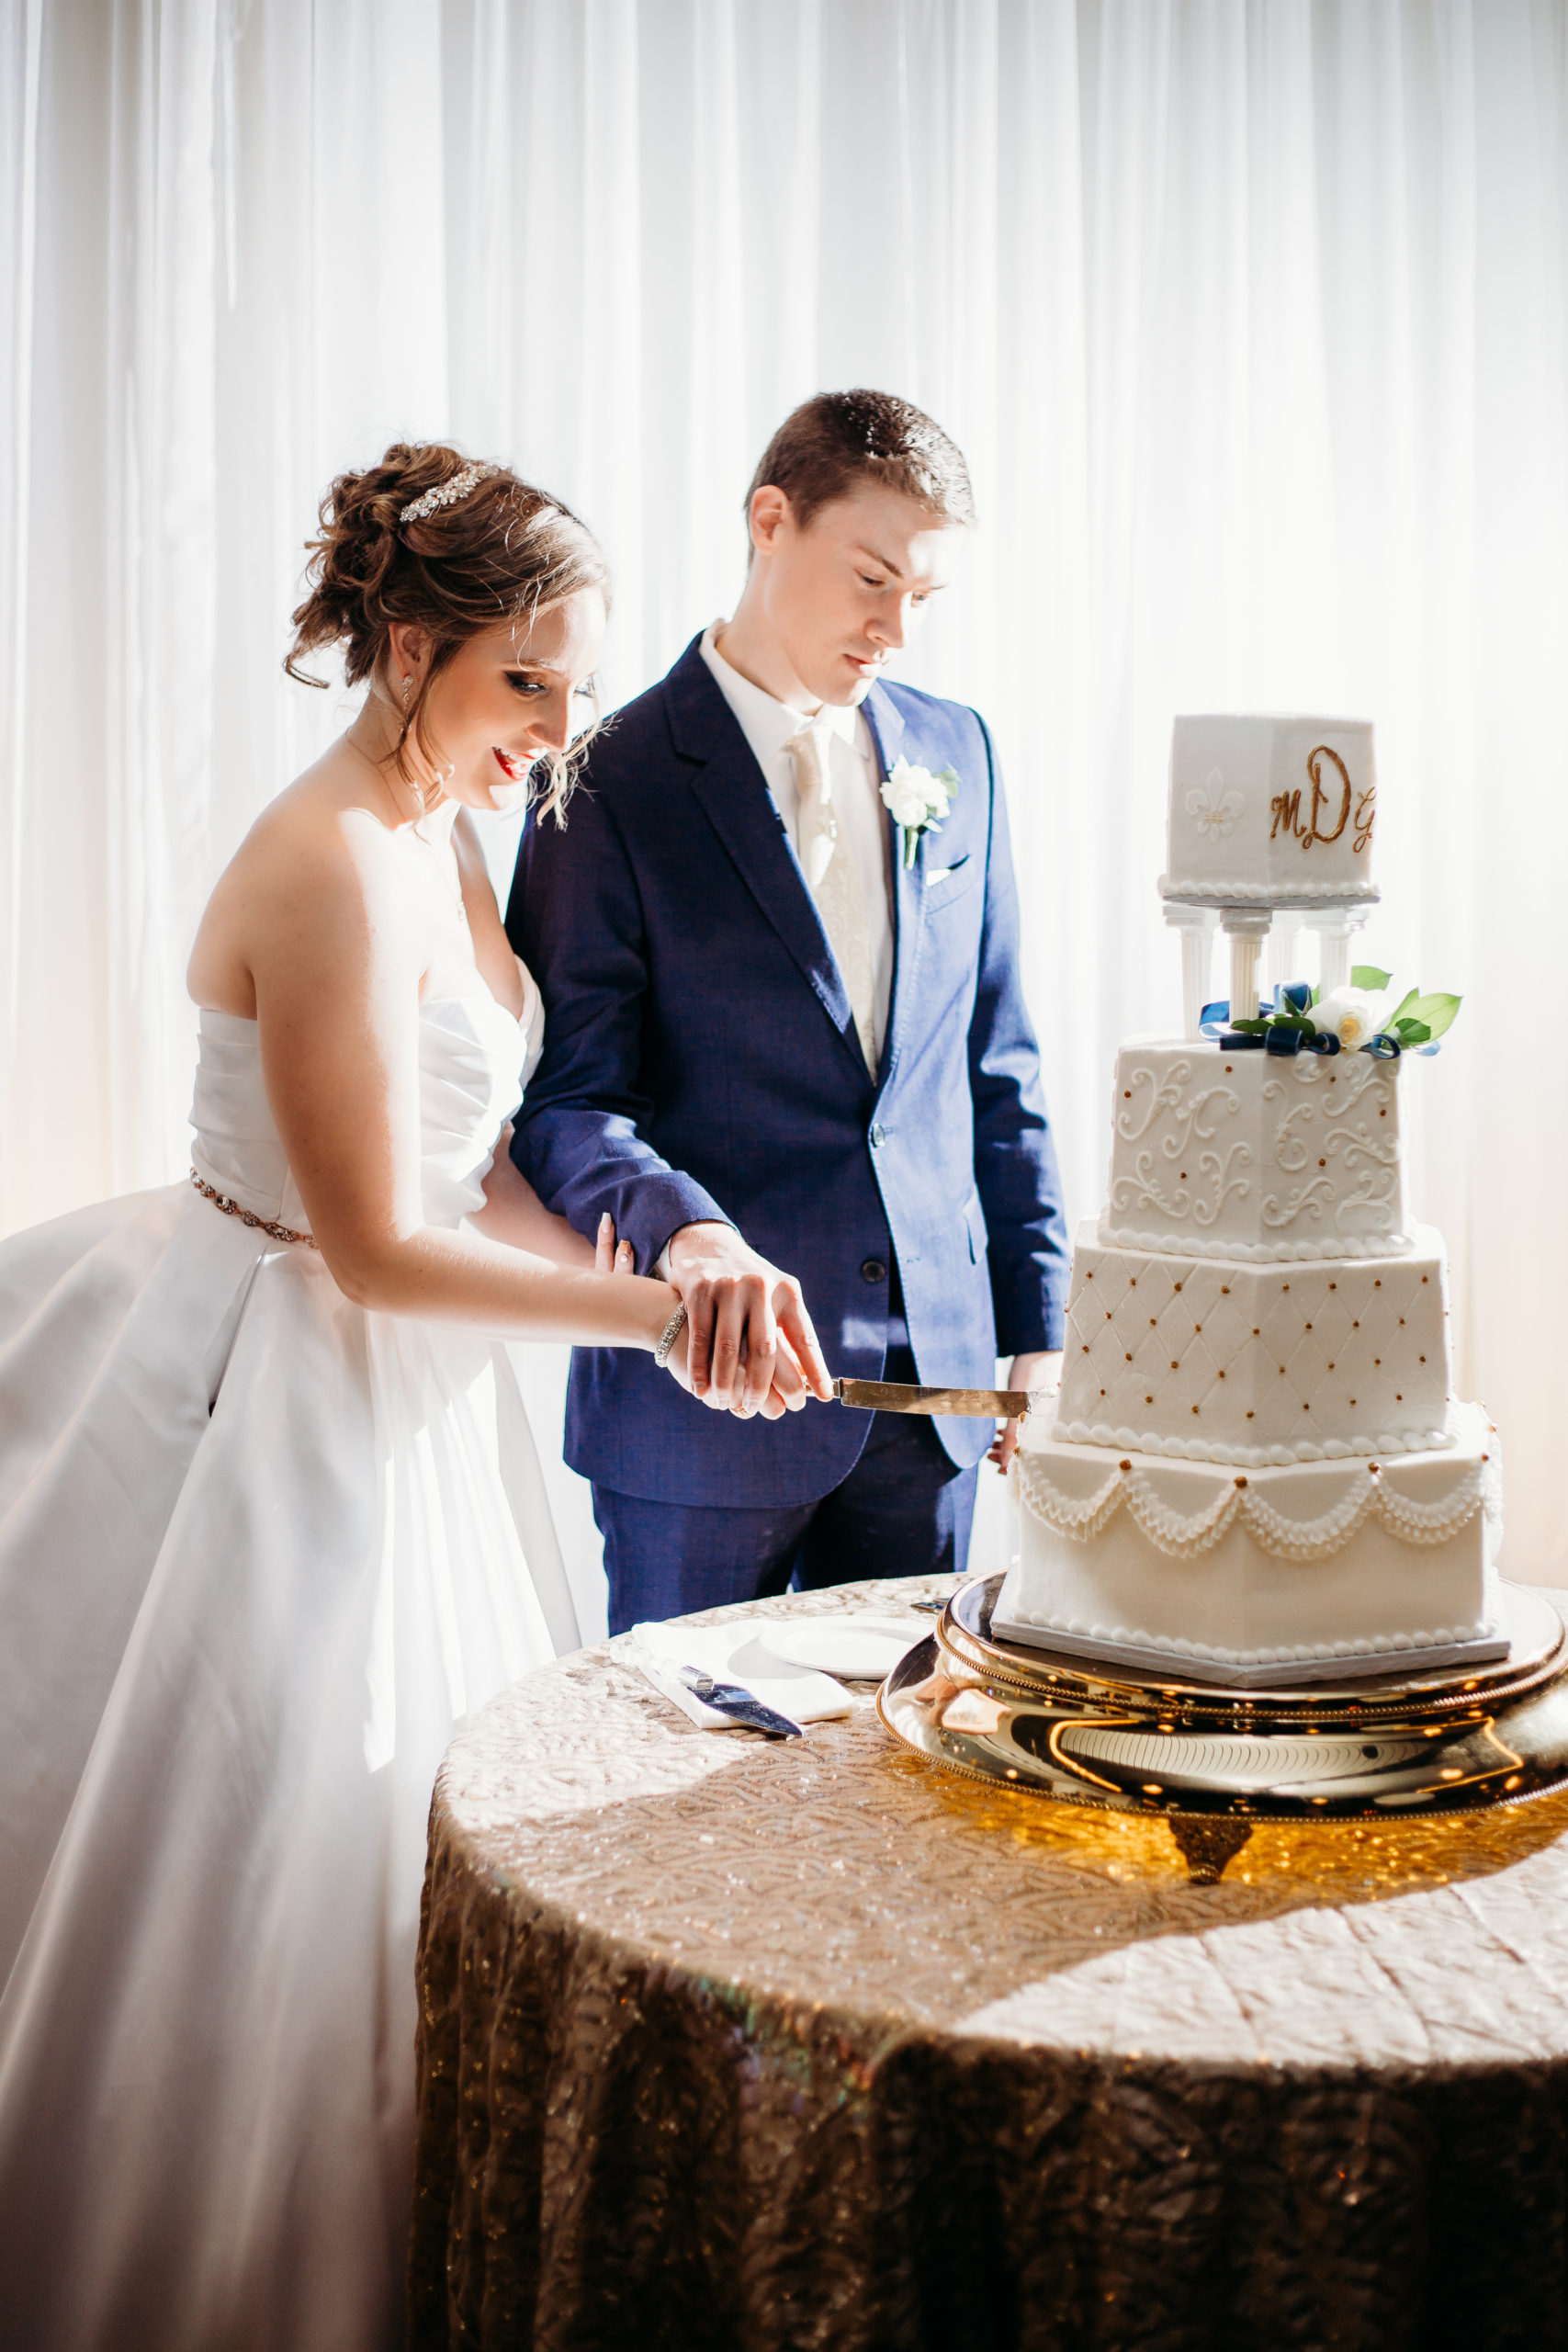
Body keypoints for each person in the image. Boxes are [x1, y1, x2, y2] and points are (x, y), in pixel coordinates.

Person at [0, 442, 822, 2352]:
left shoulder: (448, 826)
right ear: (404, 640)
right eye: (519, 677)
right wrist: (639, 1333)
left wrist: (678, 1260)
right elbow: (365, 1245)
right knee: (276, 1873)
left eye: (575, 686)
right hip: (271, 1398)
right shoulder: (323, 857)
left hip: (420, 1406)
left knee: (420, 1870)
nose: (551, 726)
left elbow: (485, 1163)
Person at [510, 389, 1069, 1634]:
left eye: (923, 597)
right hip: (696, 1408)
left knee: (911, 1785)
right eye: (874, 579)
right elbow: (567, 1106)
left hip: (935, 1402)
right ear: (771, 520)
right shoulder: (602, 781)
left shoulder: (959, 751)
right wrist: (690, 1235)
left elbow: (999, 1070)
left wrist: (1043, 1331)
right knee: (674, 1794)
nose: (895, 631)